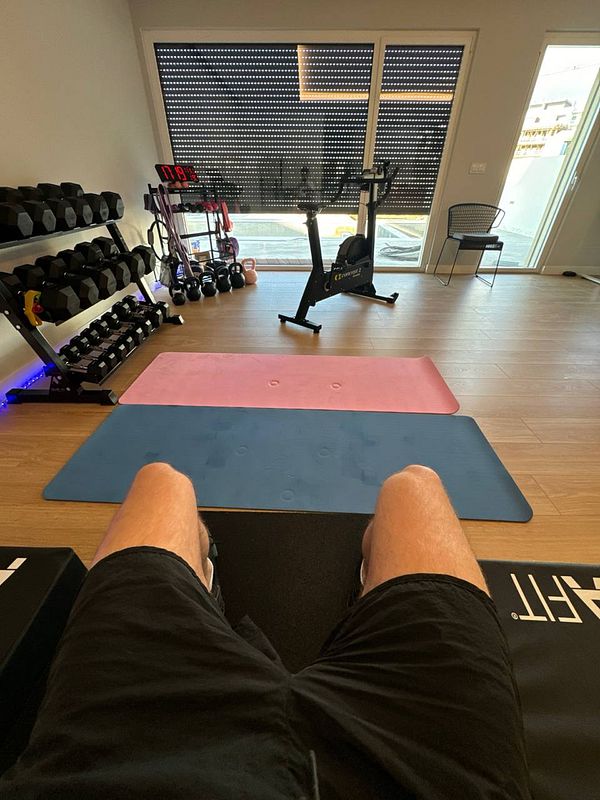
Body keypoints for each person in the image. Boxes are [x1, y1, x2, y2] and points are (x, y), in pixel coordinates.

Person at [0, 463, 531, 799]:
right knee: (413, 484)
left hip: (128, 755)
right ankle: (366, 585)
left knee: (162, 480)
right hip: (427, 771)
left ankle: (200, 577)